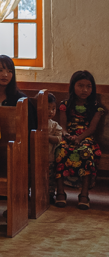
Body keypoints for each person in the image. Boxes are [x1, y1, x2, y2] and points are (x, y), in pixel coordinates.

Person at [54, 70, 104, 210]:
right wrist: (67, 136)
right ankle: (60, 192)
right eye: (80, 86)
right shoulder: (65, 105)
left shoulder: (96, 107)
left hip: (87, 138)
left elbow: (92, 128)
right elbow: (62, 127)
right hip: (68, 137)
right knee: (60, 150)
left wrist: (79, 138)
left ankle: (84, 194)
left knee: (86, 152)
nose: (85, 90)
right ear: (73, 86)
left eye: (88, 86)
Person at [0, 54, 38, 130]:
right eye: (0, 70)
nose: (5, 75)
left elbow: (31, 127)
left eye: (9, 71)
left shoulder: (21, 100)